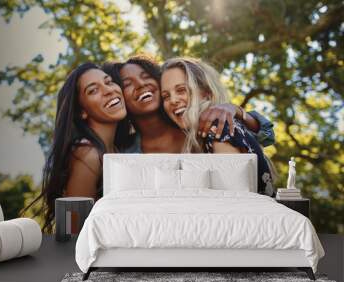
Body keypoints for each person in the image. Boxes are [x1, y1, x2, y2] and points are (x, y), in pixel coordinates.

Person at [27, 63, 128, 232]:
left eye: (108, 82)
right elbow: (72, 229)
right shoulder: (88, 155)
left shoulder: (113, 149)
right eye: (93, 90)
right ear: (82, 111)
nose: (109, 90)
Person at [106, 55, 275, 154]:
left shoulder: (199, 121)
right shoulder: (122, 151)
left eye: (145, 76)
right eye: (127, 84)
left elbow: (267, 136)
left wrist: (235, 110)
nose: (141, 84)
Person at [160, 57, 274, 196]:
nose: (173, 100)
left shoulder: (219, 128)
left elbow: (235, 200)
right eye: (166, 96)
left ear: (206, 93)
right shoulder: (202, 134)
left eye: (181, 90)